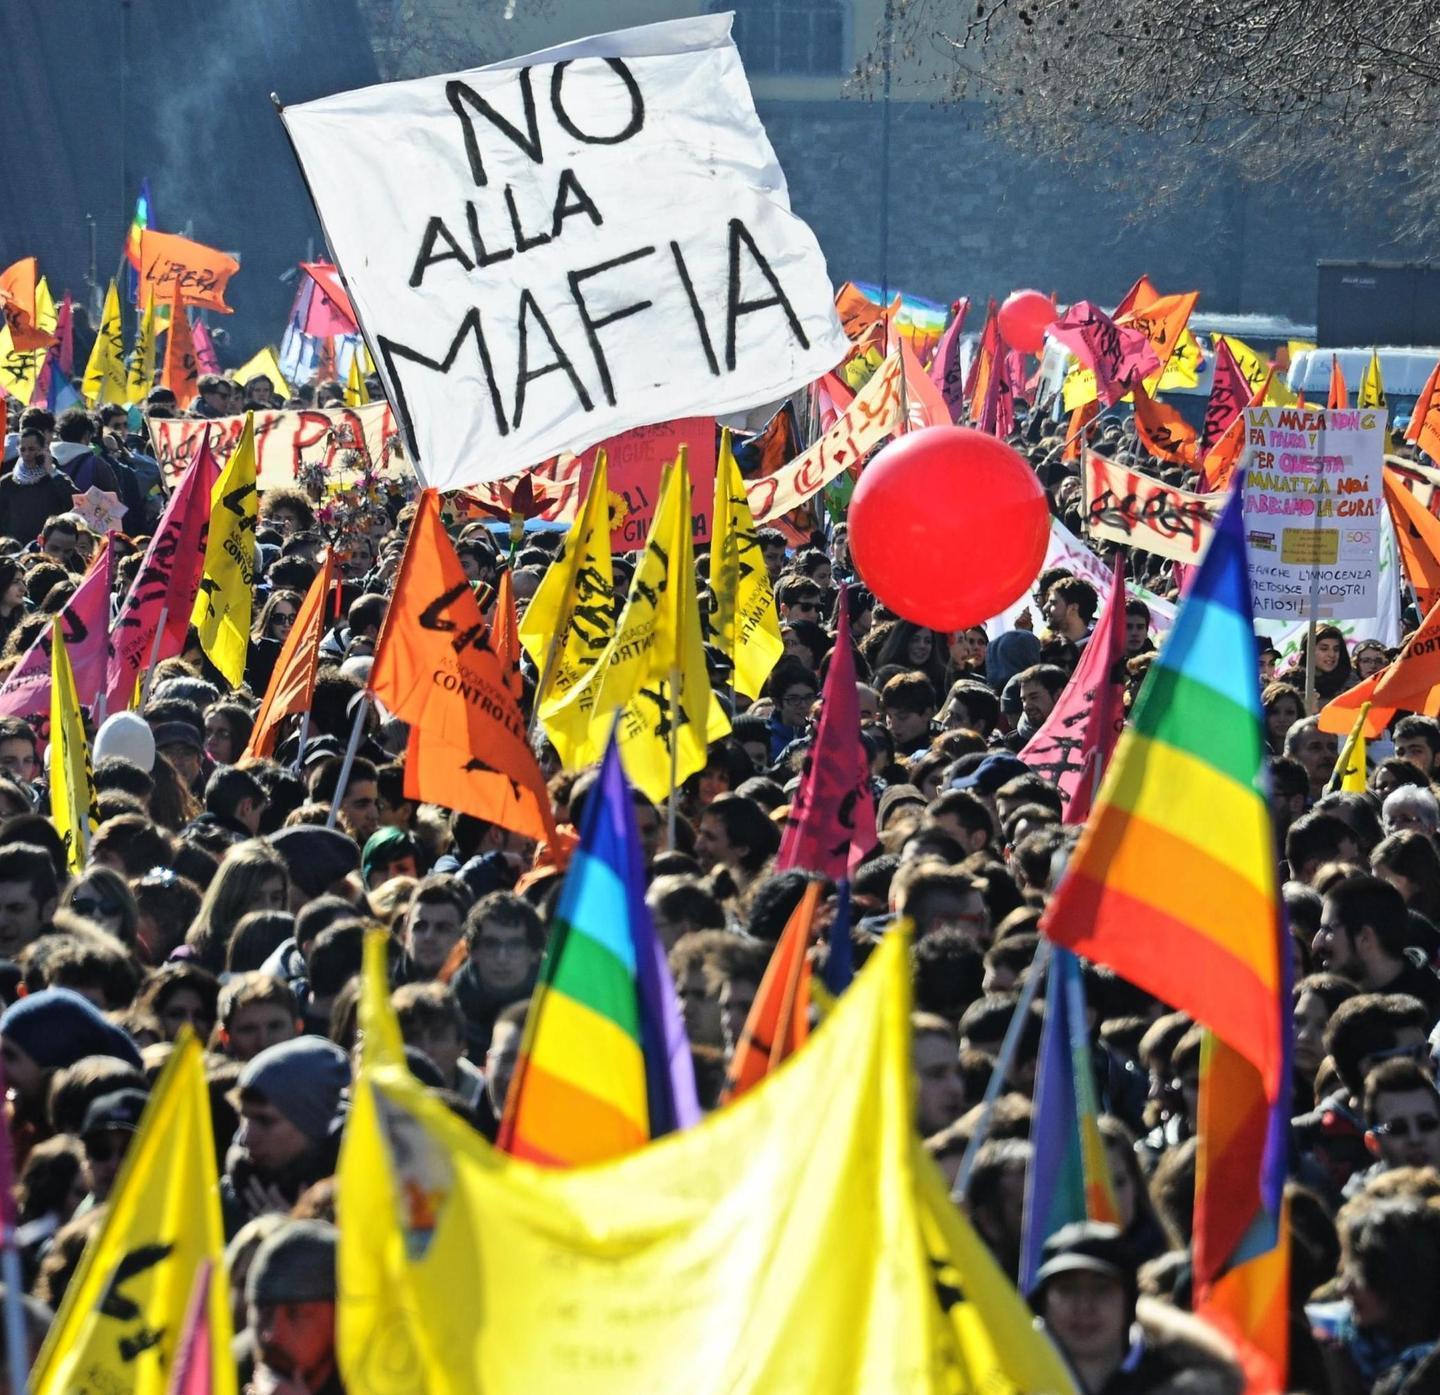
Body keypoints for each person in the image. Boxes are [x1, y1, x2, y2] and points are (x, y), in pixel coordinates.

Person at [226, 1038, 350, 1228]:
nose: (247, 1138)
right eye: (244, 1117)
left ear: (312, 1122)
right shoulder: (228, 1198)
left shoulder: (370, 1193)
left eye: (265, 1121)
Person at [244, 1220, 344, 1395]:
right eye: (263, 1311)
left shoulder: (389, 1382)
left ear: (340, 1317)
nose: (271, 1335)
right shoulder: (218, 1372)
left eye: (296, 1314)